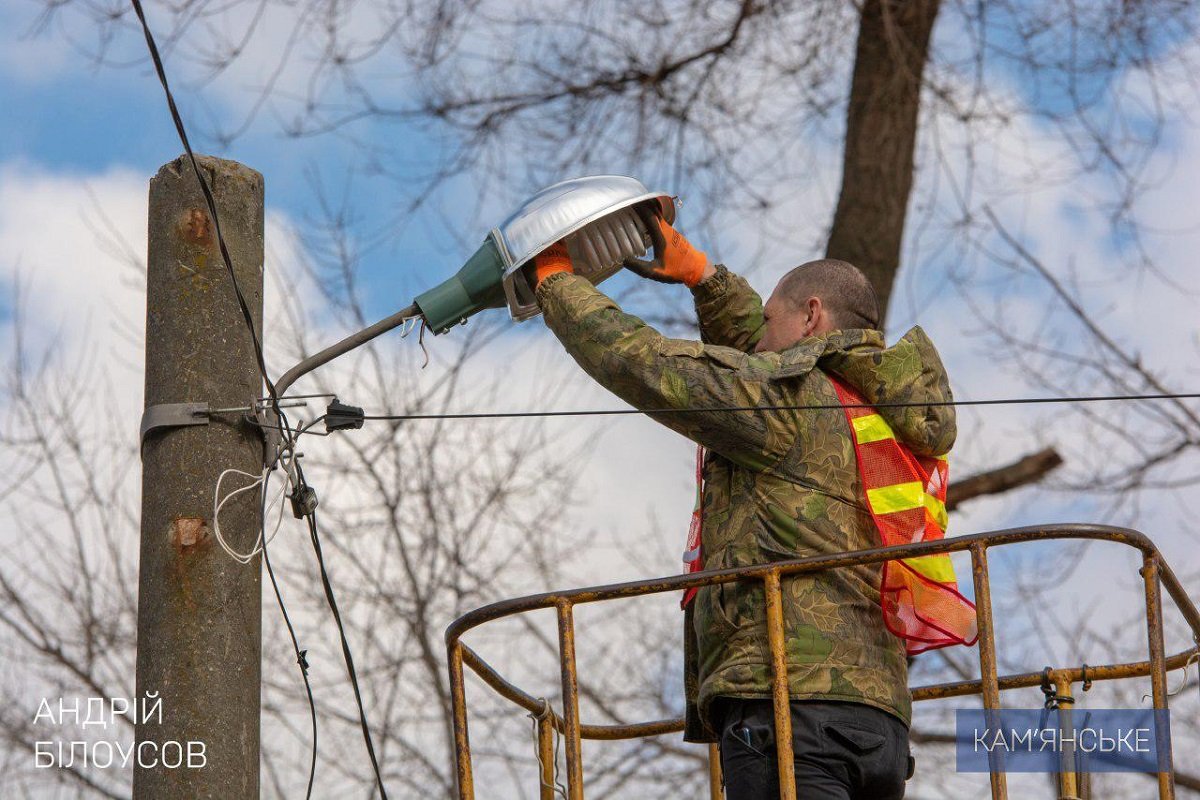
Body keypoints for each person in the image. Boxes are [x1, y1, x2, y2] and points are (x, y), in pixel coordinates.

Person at [529, 204, 957, 799]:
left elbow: (645, 363)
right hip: (878, 721)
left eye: (770, 319)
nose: (759, 338)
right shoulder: (880, 410)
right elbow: (767, 362)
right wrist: (704, 278)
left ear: (811, 316)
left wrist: (555, 281)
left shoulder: (791, 406)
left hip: (790, 707)